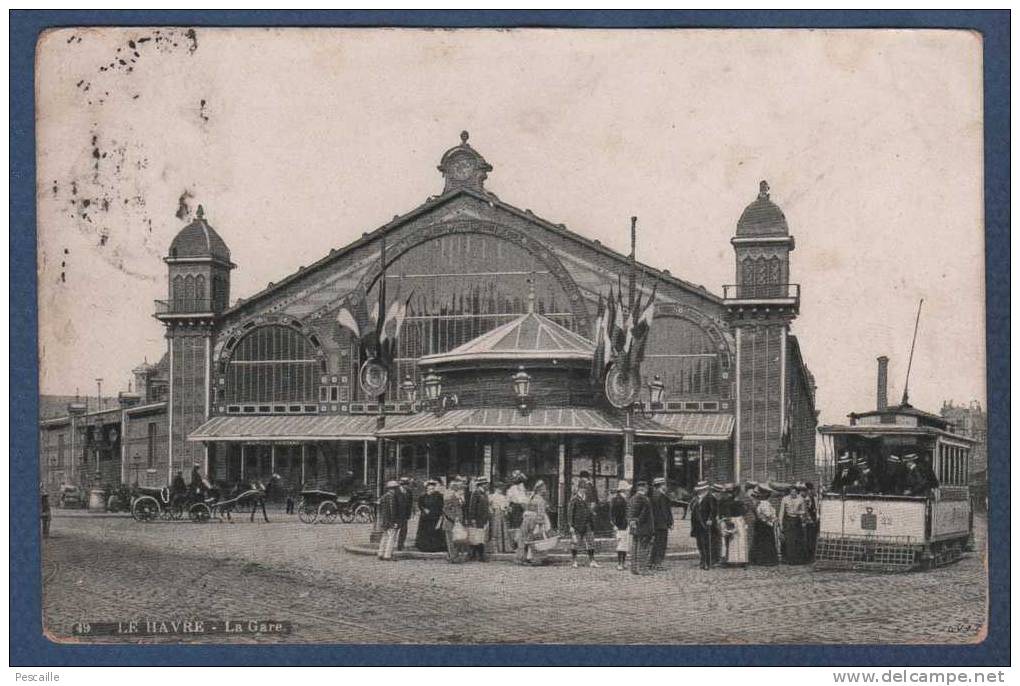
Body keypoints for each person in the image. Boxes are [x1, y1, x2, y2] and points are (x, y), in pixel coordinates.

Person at [517, 481, 553, 565]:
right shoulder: (540, 499)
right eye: (544, 488)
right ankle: (534, 559)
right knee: (534, 539)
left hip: (527, 520)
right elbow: (541, 513)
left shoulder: (531, 497)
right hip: (534, 520)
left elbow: (526, 507)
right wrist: (540, 524)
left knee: (525, 538)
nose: (545, 490)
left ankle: (522, 558)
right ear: (540, 489)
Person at [567, 483, 598, 568]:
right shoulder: (574, 499)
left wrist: (592, 513)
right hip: (577, 525)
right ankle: (574, 561)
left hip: (588, 524)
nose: (584, 490)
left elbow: (589, 510)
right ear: (578, 489)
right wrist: (571, 526)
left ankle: (592, 561)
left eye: (585, 488)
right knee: (575, 543)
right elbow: (570, 513)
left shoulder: (587, 499)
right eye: (582, 488)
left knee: (590, 542)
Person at [718, 483, 749, 567]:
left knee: (735, 540)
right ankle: (736, 559)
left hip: (735, 520)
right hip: (734, 520)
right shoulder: (732, 502)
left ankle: (735, 559)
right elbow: (744, 511)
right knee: (734, 540)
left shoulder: (731, 501)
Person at [627, 480, 654, 575]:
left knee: (634, 548)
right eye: (646, 488)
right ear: (644, 488)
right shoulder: (643, 499)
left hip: (636, 528)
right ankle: (642, 569)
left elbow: (630, 513)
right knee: (643, 549)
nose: (647, 490)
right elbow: (642, 514)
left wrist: (632, 522)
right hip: (643, 528)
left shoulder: (632, 498)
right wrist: (636, 521)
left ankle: (634, 568)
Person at [748, 485, 779, 565]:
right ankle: (766, 560)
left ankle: (758, 559)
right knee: (766, 542)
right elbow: (767, 514)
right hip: (765, 525)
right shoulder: (765, 503)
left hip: (761, 524)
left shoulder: (760, 503)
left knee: (760, 542)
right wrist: (772, 518)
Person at [689, 480, 716, 570]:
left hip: (706, 523)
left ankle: (708, 562)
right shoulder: (696, 498)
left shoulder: (710, 497)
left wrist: (710, 519)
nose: (700, 491)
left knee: (706, 543)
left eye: (702, 489)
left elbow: (713, 510)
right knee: (700, 544)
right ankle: (702, 560)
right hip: (697, 524)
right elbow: (692, 510)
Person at [779, 484, 809, 565]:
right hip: (788, 521)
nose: (793, 494)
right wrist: (780, 523)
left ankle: (798, 560)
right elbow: (781, 512)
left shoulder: (801, 499)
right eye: (791, 492)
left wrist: (798, 512)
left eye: (795, 492)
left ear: (797, 492)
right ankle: (789, 559)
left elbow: (804, 511)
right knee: (789, 540)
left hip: (797, 521)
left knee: (797, 540)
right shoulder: (785, 499)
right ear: (789, 492)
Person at [415, 480, 447, 552]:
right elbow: (420, 505)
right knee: (425, 532)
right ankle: (424, 547)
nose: (431, 490)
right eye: (429, 489)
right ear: (426, 489)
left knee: (435, 531)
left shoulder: (439, 496)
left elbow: (441, 506)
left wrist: (440, 514)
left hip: (435, 516)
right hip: (425, 517)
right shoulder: (423, 496)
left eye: (432, 489)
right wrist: (424, 509)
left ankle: (435, 547)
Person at [649, 477, 674, 569]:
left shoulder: (654, 495)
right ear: (661, 485)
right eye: (664, 484)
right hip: (662, 524)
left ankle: (652, 562)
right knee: (661, 544)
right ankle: (658, 563)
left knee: (656, 544)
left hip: (655, 524)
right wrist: (669, 523)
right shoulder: (662, 497)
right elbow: (664, 511)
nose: (666, 486)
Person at [442, 479, 468, 563]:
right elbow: (446, 510)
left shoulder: (459, 497)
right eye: (461, 488)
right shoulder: (450, 497)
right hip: (450, 522)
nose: (462, 490)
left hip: (457, 522)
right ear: (456, 489)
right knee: (450, 541)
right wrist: (454, 518)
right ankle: (453, 557)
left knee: (456, 540)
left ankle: (453, 556)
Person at [466, 477, 491, 561]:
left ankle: (474, 554)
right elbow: (472, 507)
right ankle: (479, 555)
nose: (487, 485)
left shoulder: (484, 494)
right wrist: (472, 518)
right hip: (477, 518)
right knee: (477, 536)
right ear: (481, 484)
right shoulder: (476, 493)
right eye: (485, 484)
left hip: (483, 518)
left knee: (480, 536)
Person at [377, 480, 400, 561]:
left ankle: (380, 553)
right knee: (391, 537)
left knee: (384, 536)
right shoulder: (392, 497)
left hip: (384, 520)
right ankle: (388, 555)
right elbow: (392, 510)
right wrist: (394, 522)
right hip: (390, 521)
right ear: (394, 489)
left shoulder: (383, 497)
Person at [488, 481, 514, 553]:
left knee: (503, 530)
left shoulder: (503, 497)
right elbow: (489, 506)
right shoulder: (491, 496)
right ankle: (495, 548)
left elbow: (506, 506)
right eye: (498, 488)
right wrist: (491, 511)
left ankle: (504, 548)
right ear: (495, 488)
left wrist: (506, 510)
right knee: (496, 530)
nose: (500, 490)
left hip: (502, 513)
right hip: (496, 512)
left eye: (501, 488)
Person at [610, 481, 631, 570]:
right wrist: (614, 524)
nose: (628, 491)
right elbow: (613, 513)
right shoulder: (618, 500)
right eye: (627, 489)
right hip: (621, 524)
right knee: (621, 544)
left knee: (625, 544)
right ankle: (620, 563)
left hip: (625, 524)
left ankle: (623, 562)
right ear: (624, 490)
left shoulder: (624, 499)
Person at [506, 471, 529, 551]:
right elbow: (511, 500)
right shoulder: (513, 489)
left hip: (521, 508)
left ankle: (519, 543)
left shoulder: (522, 488)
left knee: (520, 526)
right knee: (516, 526)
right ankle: (515, 544)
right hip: (516, 508)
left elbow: (525, 500)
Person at [395, 476, 414, 551]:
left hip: (405, 515)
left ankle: (400, 545)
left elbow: (410, 503)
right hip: (397, 515)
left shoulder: (409, 492)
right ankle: (391, 546)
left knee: (404, 530)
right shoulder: (396, 492)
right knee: (394, 530)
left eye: (406, 484)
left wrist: (409, 514)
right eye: (404, 484)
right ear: (401, 485)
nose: (405, 486)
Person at [802, 482, 819, 561]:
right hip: (810, 520)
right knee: (809, 538)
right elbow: (806, 510)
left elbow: (816, 508)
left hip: (815, 518)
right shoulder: (807, 499)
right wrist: (809, 519)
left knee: (813, 537)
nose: (811, 491)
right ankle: (808, 556)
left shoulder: (814, 497)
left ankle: (812, 555)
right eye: (810, 490)